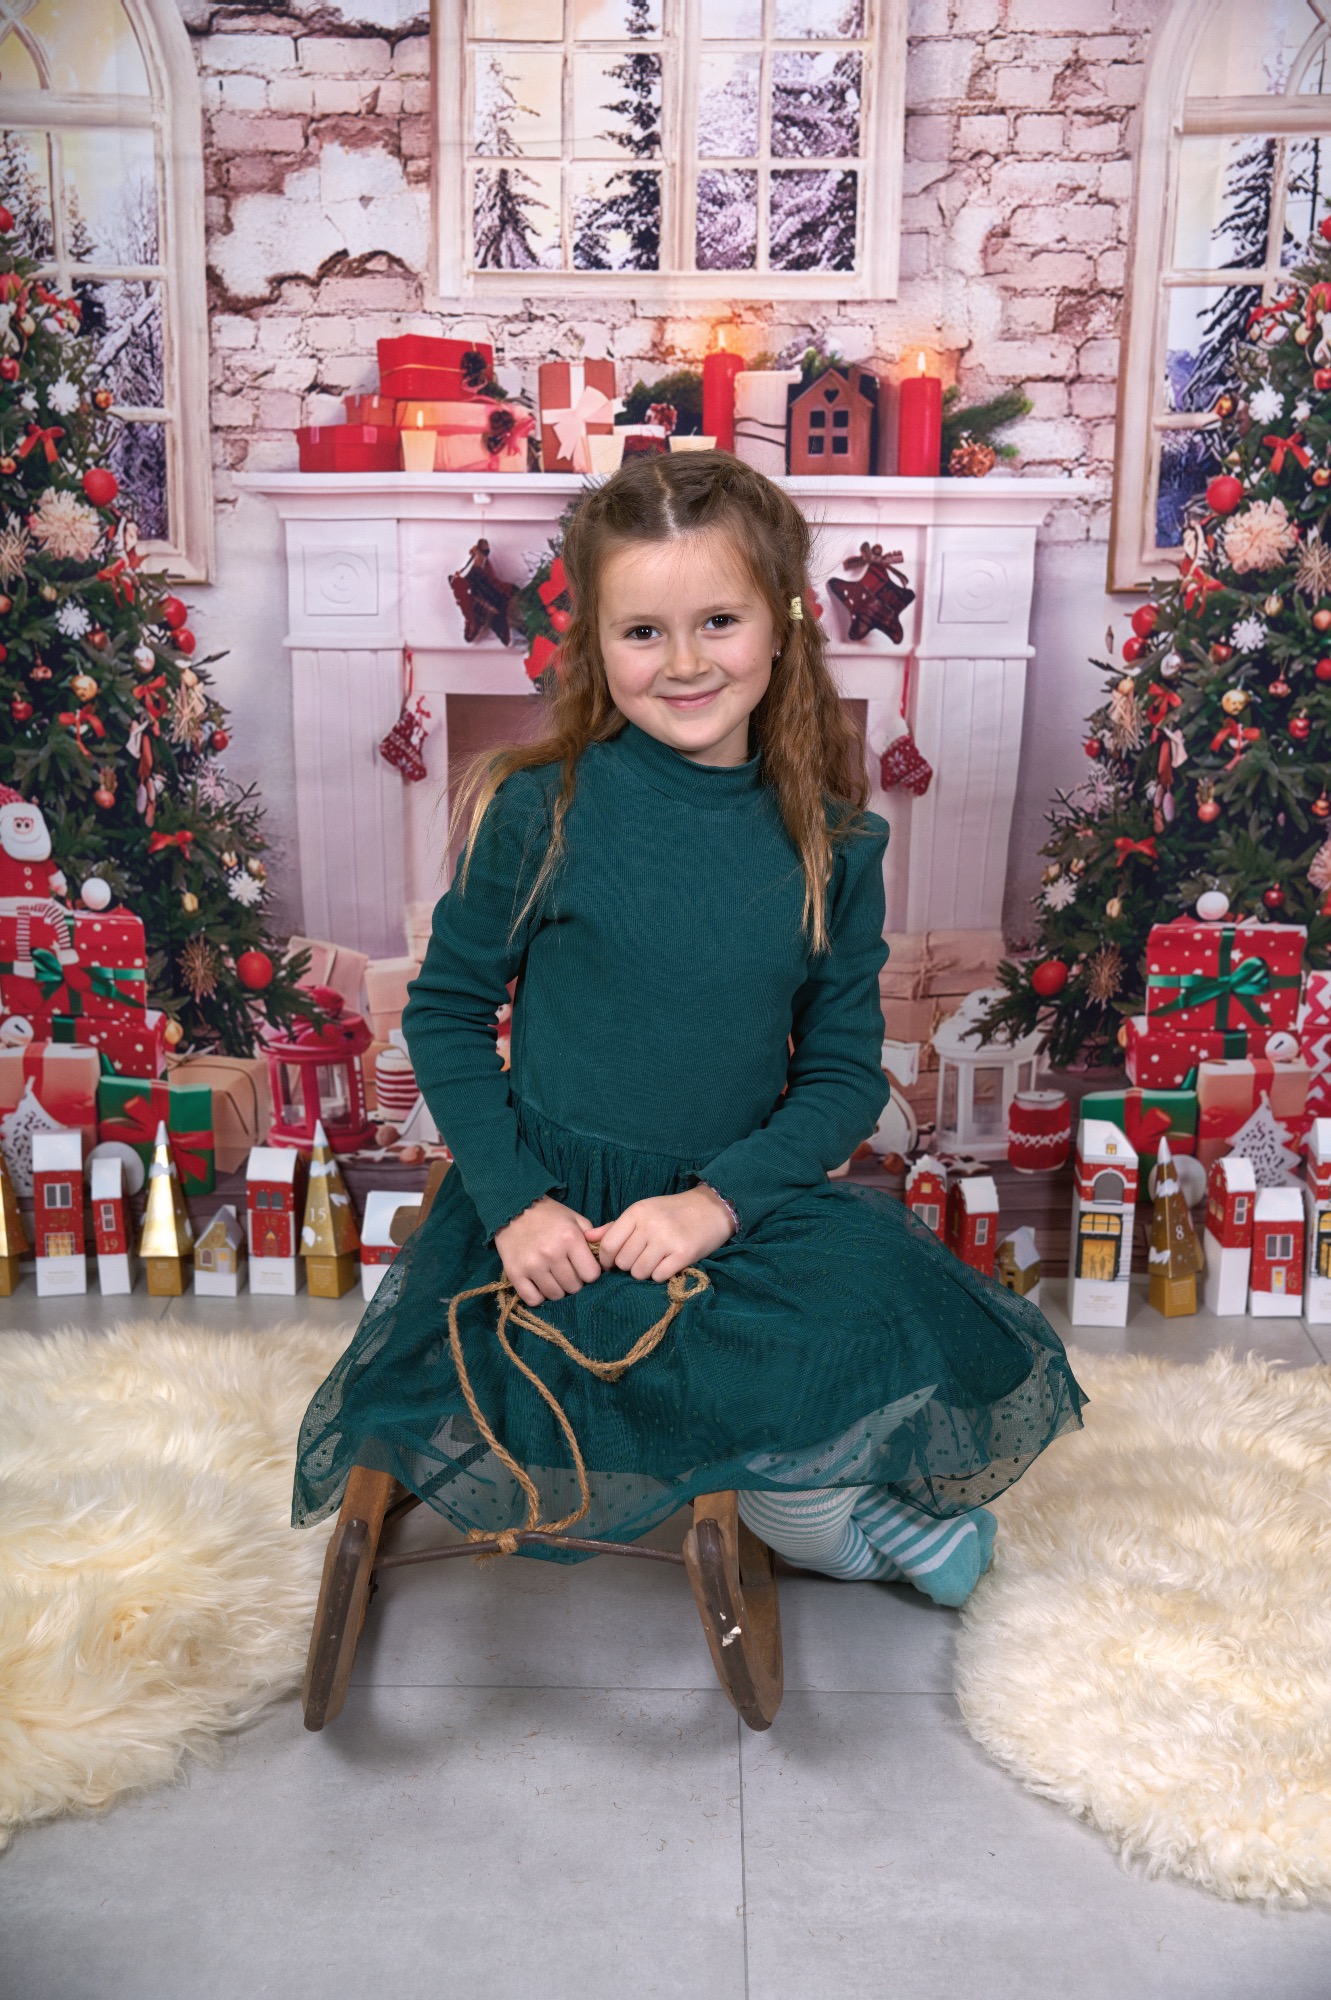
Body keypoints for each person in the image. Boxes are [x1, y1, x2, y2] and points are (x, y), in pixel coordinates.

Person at [292, 451, 1085, 1609]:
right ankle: (836, 1514)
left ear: (782, 622)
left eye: (717, 620)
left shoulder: (832, 846)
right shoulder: (537, 807)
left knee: (807, 1446)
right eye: (641, 632)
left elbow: (839, 1077)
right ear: (594, 643)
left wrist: (715, 1204)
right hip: (560, 1210)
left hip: (734, 1205)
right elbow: (448, 1014)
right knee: (564, 1407)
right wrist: (514, 1203)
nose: (682, 662)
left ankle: (847, 1524)